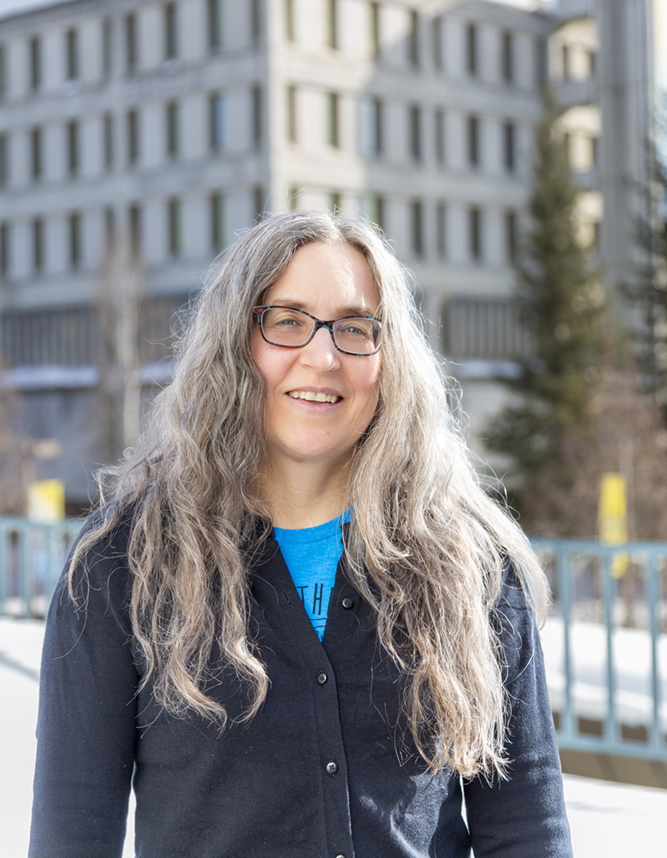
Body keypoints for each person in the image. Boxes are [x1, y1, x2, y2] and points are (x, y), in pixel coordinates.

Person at [29, 211, 573, 858]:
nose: (323, 357)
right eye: (286, 321)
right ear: (235, 342)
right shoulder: (123, 563)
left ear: (388, 355)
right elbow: (72, 833)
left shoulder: (470, 563)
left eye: (354, 328)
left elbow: (525, 830)